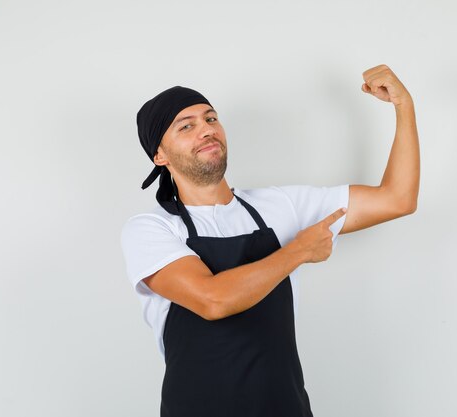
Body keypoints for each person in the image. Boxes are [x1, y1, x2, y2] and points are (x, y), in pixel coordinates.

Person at [120, 64, 420, 417]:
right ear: (160, 156)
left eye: (211, 119)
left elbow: (397, 198)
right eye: (186, 126)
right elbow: (212, 299)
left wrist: (404, 106)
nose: (206, 130)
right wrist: (297, 251)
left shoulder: (278, 206)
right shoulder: (151, 229)